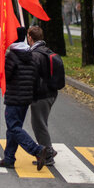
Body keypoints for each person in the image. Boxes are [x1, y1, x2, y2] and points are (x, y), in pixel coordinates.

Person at [0, 27, 55, 170]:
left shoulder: (12, 55)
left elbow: (7, 76)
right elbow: (34, 77)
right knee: (14, 128)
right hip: (26, 98)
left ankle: (37, 150)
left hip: (14, 97)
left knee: (13, 127)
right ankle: (9, 158)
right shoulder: (30, 54)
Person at [29, 26, 57, 165]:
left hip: (41, 95)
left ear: (30, 38)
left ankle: (48, 156)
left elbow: (32, 76)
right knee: (41, 123)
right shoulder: (46, 50)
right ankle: (49, 149)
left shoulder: (35, 55)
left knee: (38, 125)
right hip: (51, 93)